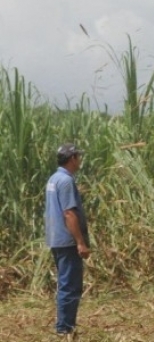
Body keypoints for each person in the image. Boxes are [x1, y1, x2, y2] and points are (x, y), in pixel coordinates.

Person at [44, 143, 91, 337]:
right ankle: (65, 328)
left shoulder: (54, 179)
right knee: (70, 285)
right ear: (72, 159)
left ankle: (65, 326)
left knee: (66, 283)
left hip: (56, 238)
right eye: (78, 157)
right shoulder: (65, 181)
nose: (79, 160)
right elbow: (69, 214)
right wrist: (80, 242)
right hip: (67, 240)